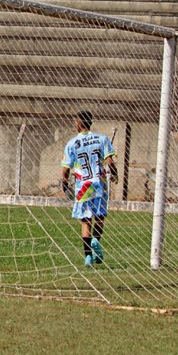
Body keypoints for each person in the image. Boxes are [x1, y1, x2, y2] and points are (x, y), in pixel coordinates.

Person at [61, 110, 118, 267]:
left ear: (78, 123)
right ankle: (95, 241)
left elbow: (66, 168)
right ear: (90, 122)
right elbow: (110, 162)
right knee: (99, 217)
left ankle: (88, 258)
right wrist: (115, 174)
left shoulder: (72, 143)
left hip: (83, 186)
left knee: (86, 221)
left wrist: (64, 182)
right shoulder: (102, 139)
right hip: (99, 184)